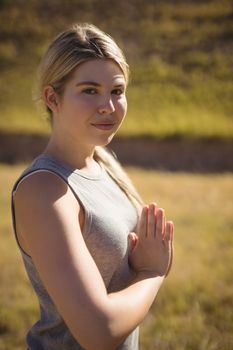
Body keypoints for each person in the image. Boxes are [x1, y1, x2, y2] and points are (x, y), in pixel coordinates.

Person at [11, 23, 174, 350]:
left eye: (117, 91)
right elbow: (99, 332)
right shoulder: (44, 190)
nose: (108, 107)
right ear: (52, 98)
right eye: (89, 90)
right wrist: (153, 273)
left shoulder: (102, 163)